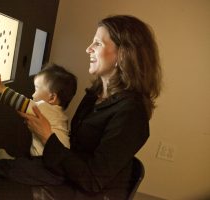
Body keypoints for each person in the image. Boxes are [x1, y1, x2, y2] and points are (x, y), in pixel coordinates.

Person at [17, 15, 162, 200]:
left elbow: (92, 180)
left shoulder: (132, 114)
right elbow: (75, 148)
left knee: (5, 187)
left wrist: (47, 137)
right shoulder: (95, 94)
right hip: (71, 178)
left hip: (90, 193)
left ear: (123, 54)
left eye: (98, 44)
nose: (88, 49)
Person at [0, 63, 77, 185]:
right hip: (57, 165)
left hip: (49, 168)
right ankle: (10, 161)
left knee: (19, 171)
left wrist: (2, 89)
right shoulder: (60, 115)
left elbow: (23, 103)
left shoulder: (45, 108)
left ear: (52, 97)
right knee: (24, 164)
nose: (33, 94)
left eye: (37, 88)